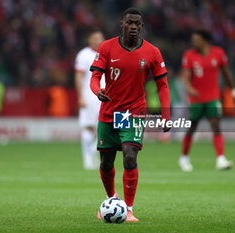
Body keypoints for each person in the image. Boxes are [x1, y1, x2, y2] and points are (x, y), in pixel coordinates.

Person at [89, 8, 170, 222]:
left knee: (129, 156)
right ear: (121, 24)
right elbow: (95, 77)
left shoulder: (152, 52)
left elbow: (162, 85)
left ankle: (129, 208)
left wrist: (166, 114)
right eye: (130, 23)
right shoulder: (106, 47)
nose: (133, 27)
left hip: (133, 112)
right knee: (106, 163)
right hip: (109, 111)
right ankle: (111, 200)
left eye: (137, 24)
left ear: (142, 27)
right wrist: (97, 90)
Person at [179, 29, 235, 172]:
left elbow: (226, 74)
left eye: (197, 40)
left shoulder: (218, 54)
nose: (194, 42)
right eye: (193, 40)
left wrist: (234, 90)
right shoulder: (189, 56)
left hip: (213, 97)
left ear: (205, 40)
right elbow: (185, 77)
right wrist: (189, 88)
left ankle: (220, 159)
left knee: (216, 125)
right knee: (192, 128)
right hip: (196, 99)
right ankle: (184, 158)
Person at [75, 30, 105, 170]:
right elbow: (79, 76)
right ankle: (87, 159)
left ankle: (93, 152)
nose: (97, 40)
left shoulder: (107, 53)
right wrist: (80, 96)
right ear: (89, 39)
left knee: (105, 128)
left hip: (105, 96)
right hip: (89, 96)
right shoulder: (83, 55)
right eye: (94, 38)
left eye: (99, 38)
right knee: (88, 126)